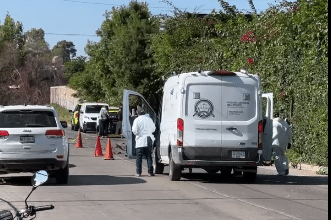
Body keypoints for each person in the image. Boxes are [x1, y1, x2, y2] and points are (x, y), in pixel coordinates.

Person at [132, 106, 156, 177]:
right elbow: (153, 129)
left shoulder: (137, 120)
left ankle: (138, 172)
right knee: (149, 156)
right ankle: (150, 172)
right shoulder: (149, 119)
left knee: (139, 157)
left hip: (140, 140)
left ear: (137, 113)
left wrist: (139, 134)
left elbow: (134, 131)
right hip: (149, 139)